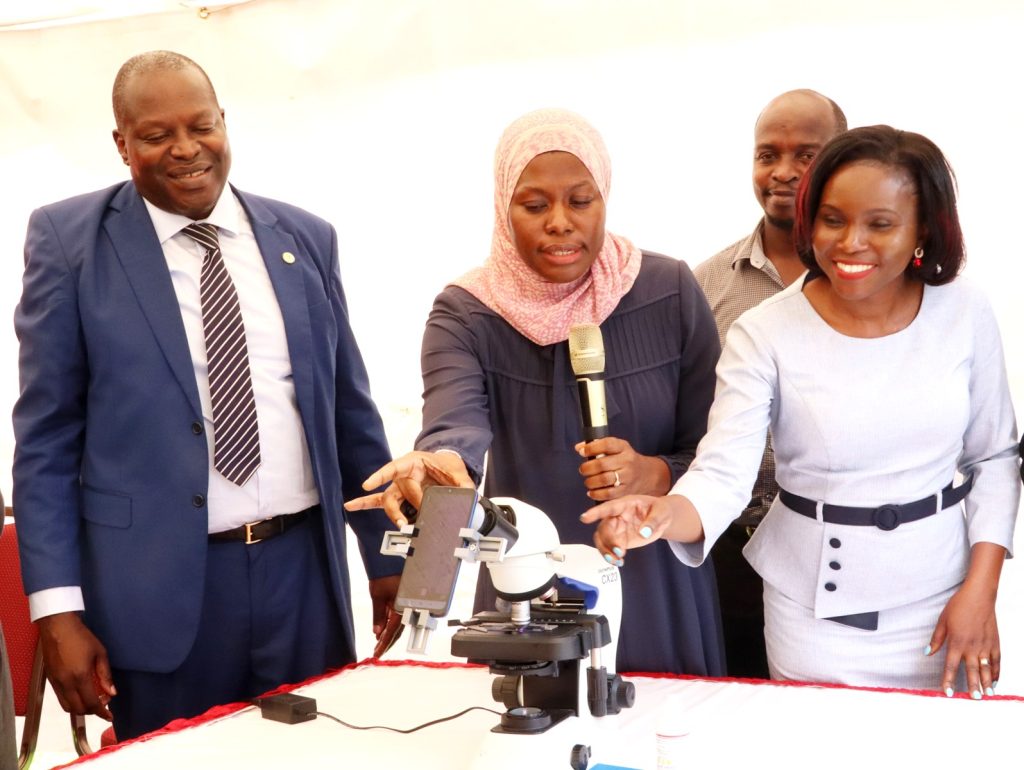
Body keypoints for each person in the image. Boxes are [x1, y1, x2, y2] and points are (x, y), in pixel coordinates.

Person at [12, 51, 401, 740]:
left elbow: (349, 416)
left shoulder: (305, 239)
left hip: (302, 583)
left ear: (225, 122)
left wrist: (388, 560)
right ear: (122, 144)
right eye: (158, 134)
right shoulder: (70, 244)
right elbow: (45, 442)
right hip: (154, 594)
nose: (186, 150)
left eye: (202, 126)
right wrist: (56, 611)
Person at [583, 125, 1020, 697]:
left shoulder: (965, 309)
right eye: (833, 219)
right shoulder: (764, 331)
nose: (850, 242)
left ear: (922, 231)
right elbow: (723, 472)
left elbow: (994, 456)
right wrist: (661, 515)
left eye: (880, 224)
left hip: (943, 601)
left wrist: (980, 592)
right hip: (811, 613)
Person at [347, 108, 726, 675]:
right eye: (534, 205)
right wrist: (442, 463)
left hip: (657, 579)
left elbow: (718, 451)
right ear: (504, 208)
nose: (559, 222)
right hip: (525, 591)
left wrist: (655, 473)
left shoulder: (668, 291)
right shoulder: (466, 313)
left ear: (605, 198)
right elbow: (455, 425)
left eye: (580, 201)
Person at [694, 89, 847, 678]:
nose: (782, 172)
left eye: (806, 155)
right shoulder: (704, 286)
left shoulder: (875, 279)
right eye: (767, 155)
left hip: (848, 550)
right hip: (732, 550)